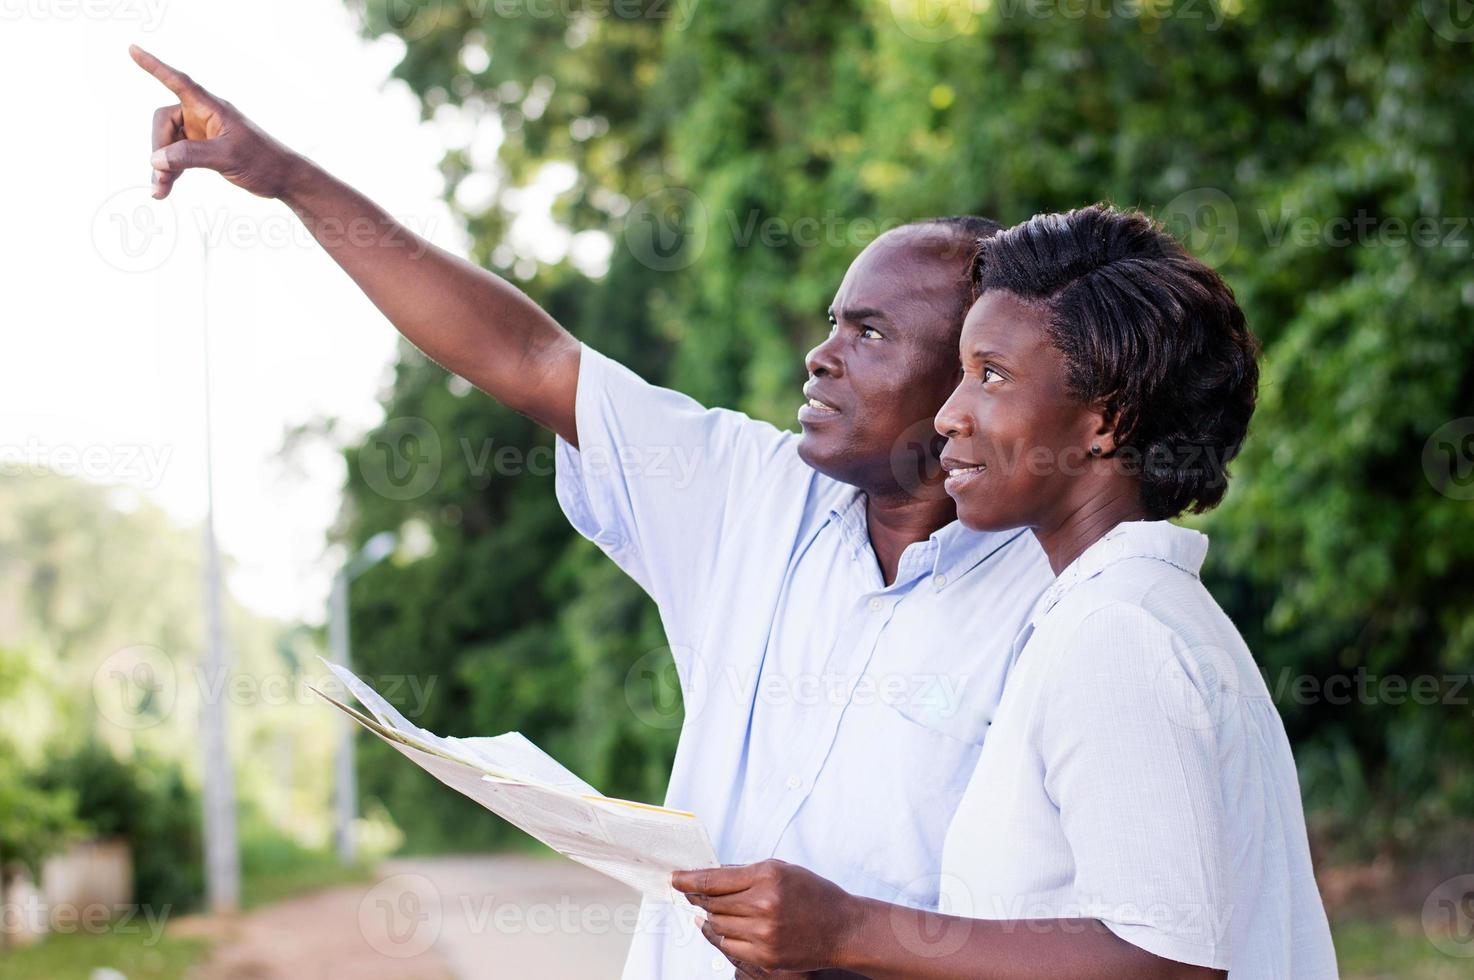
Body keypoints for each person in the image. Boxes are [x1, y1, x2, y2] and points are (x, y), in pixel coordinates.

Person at [129, 46, 1055, 978]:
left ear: (974, 375)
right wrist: (286, 176)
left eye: (870, 333)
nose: (821, 356)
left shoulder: (1061, 604)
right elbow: (528, 358)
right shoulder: (748, 493)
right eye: (830, 323)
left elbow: (1099, 941)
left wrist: (852, 946)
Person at [674, 205, 1339, 979]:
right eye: (960, 373)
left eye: (991, 376)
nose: (951, 414)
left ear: (1106, 418)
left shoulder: (1119, 635)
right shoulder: (1116, 613)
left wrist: (847, 929)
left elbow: (1167, 960)